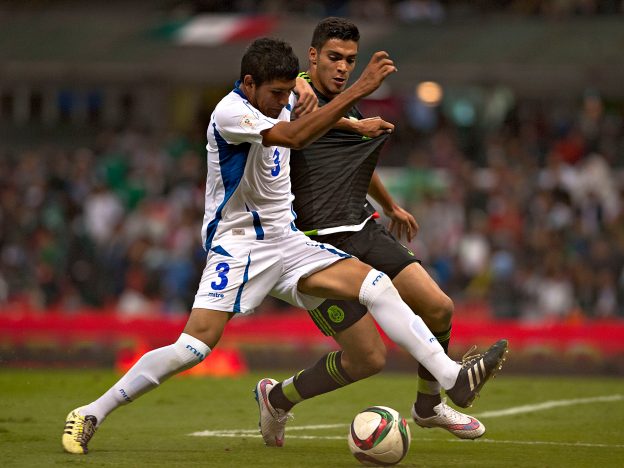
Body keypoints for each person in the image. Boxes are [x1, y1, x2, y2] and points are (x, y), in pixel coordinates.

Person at [62, 36, 506, 455]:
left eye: (286, 92)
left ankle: (453, 378)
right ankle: (90, 413)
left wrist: (350, 122)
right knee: (193, 348)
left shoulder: (283, 92)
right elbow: (292, 136)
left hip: (289, 241)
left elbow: (301, 111)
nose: (282, 102)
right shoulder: (231, 113)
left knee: (376, 285)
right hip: (239, 247)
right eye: (275, 94)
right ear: (249, 84)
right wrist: (362, 89)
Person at [255, 17, 500, 445]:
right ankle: (278, 397)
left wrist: (390, 205)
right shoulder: (292, 94)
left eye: (350, 60)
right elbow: (288, 116)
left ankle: (429, 405)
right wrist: (298, 81)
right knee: (367, 359)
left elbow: (350, 158)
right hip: (312, 246)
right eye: (333, 57)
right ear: (311, 57)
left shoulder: (345, 105)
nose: (343, 67)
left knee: (439, 307)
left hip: (360, 227)